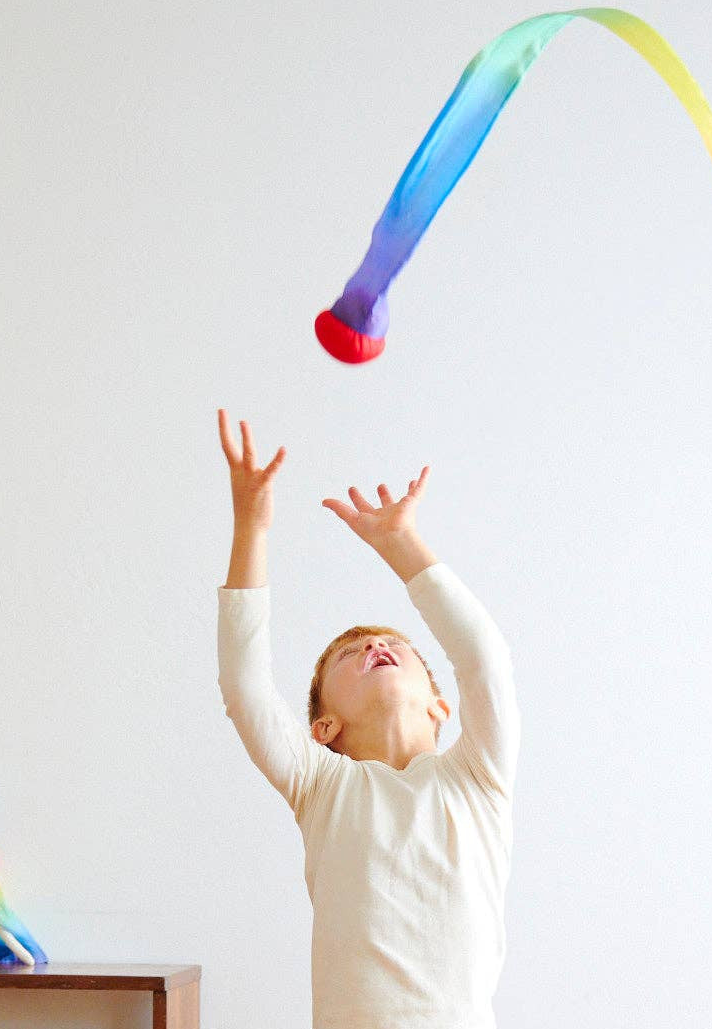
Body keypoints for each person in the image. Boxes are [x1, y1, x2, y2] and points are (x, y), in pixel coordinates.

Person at [217, 409, 520, 1029]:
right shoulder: (324, 787)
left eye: (393, 647)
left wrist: (401, 546)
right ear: (323, 729)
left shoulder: (477, 778)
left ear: (441, 706)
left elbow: (483, 659)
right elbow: (245, 686)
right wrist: (251, 524)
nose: (373, 649)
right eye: (349, 656)